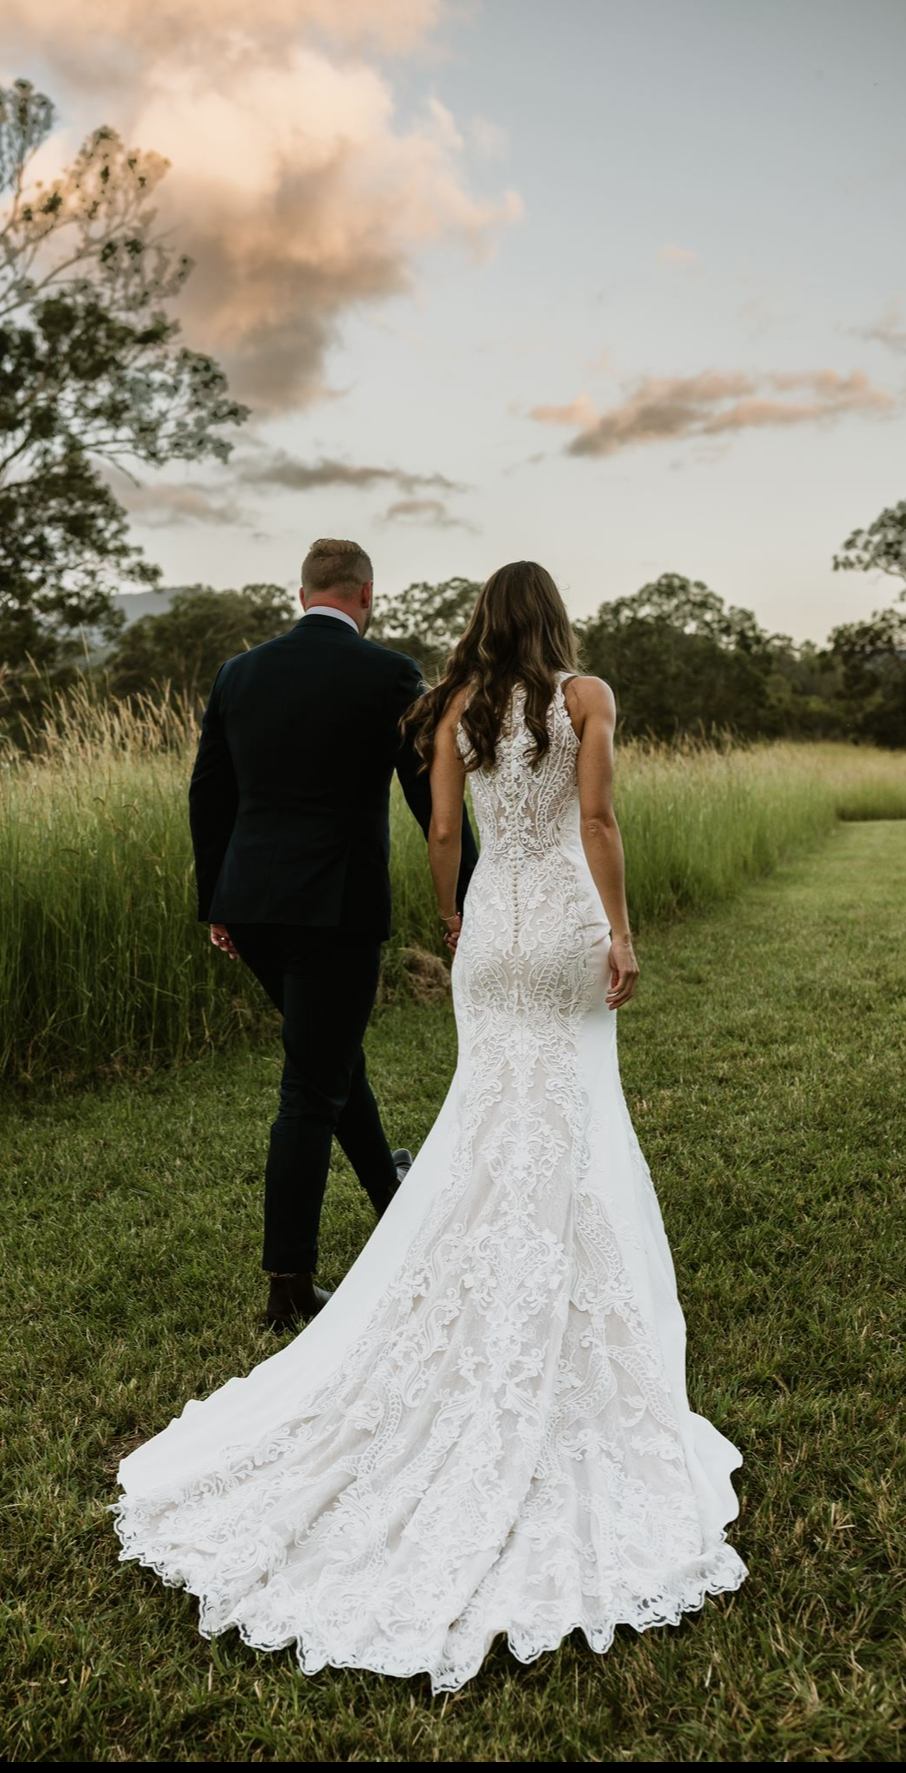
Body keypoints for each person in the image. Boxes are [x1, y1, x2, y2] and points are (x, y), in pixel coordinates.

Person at [114, 560, 745, 1691]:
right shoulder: (584, 697)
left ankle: (398, 1264)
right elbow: (596, 818)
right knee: (564, 1110)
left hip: (480, 932)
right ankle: (521, 1272)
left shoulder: (445, 705)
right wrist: (621, 929)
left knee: (476, 1112)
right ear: (552, 619)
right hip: (555, 922)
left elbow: (440, 832)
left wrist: (453, 913)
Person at [187, 537, 476, 1329]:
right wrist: (472, 899)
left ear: (303, 592)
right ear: (366, 595)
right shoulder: (387, 673)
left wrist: (217, 899)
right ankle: (287, 1285)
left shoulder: (238, 673)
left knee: (330, 1053)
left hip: (251, 905)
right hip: (334, 910)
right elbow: (433, 805)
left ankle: (391, 1193)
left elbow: (208, 793)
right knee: (311, 1085)